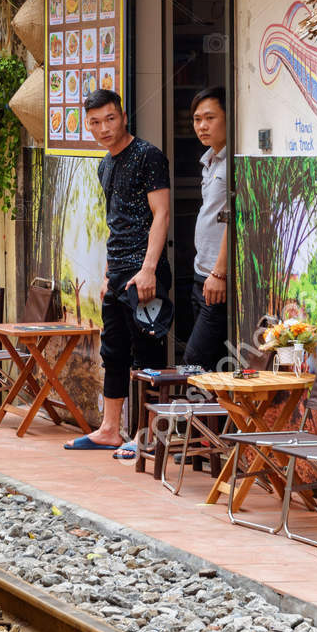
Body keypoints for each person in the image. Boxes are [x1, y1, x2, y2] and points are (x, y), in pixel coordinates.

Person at [66, 89, 171, 452]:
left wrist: (149, 270)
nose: (104, 128)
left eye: (110, 119)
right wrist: (110, 275)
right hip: (118, 274)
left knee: (148, 355)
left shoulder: (148, 156)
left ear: (123, 116)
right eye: (95, 122)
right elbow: (116, 223)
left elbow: (162, 214)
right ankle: (111, 429)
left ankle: (149, 437)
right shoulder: (104, 164)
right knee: (113, 352)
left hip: (145, 273)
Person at [183, 88, 231, 371]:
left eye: (210, 117)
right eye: (197, 119)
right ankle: (216, 416)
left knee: (195, 360)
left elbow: (232, 218)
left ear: (228, 117)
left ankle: (192, 417)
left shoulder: (233, 163)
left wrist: (220, 272)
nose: (202, 125)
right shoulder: (209, 161)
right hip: (201, 275)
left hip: (217, 278)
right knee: (211, 366)